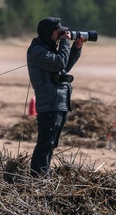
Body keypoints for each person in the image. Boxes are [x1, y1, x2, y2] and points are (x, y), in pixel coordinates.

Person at [27, 17, 86, 177]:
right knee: (45, 143)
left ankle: (42, 174)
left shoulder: (49, 48)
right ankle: (38, 177)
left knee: (51, 143)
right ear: (48, 32)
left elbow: (64, 66)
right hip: (49, 103)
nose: (61, 35)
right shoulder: (38, 51)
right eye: (58, 32)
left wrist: (76, 48)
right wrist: (66, 42)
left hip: (59, 102)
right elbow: (59, 63)